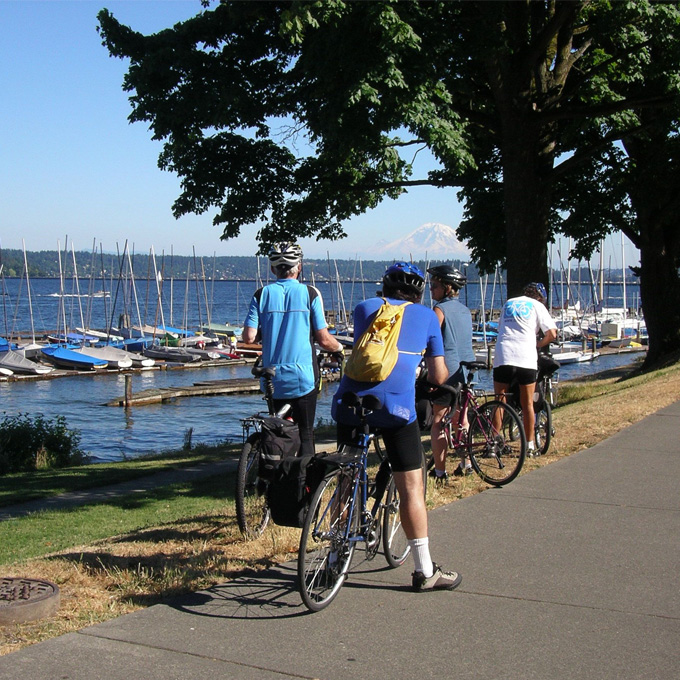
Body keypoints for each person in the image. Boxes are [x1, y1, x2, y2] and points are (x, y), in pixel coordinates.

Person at [332, 261, 462, 592]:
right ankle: (424, 570)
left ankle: (334, 555)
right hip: (395, 408)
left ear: (385, 288)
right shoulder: (428, 316)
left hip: (349, 402)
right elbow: (437, 375)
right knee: (412, 487)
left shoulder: (364, 308)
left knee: (346, 475)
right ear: (418, 292)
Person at [242, 242, 343, 458]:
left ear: (272, 269)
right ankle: (305, 486)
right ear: (299, 267)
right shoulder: (310, 293)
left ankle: (272, 476)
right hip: (302, 377)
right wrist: (340, 347)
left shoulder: (261, 294)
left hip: (272, 378)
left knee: (277, 431)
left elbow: (249, 337)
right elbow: (324, 339)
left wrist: (267, 330)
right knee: (306, 433)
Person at [492, 282, 557, 455]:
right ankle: (528, 446)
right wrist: (538, 344)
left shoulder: (509, 303)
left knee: (499, 401)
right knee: (527, 402)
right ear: (540, 297)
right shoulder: (537, 305)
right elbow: (552, 334)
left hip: (503, 355)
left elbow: (501, 329)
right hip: (525, 357)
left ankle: (493, 442)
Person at [426, 264, 475, 480]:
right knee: (461, 417)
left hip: (448, 370)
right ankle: (466, 463)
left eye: (434, 285)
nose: (431, 289)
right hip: (466, 370)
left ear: (447, 287)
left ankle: (439, 471)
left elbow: (429, 339)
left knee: (438, 420)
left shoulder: (439, 310)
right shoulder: (465, 310)